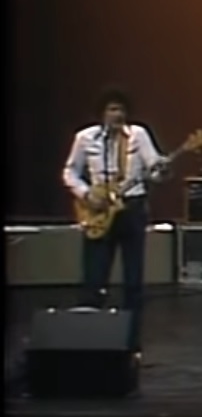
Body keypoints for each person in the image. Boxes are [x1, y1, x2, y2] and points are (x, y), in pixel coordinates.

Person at [62, 87, 171, 354]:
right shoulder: (85, 138)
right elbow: (70, 172)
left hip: (132, 209)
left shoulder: (139, 135)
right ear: (102, 113)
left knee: (133, 281)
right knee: (94, 279)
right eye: (112, 109)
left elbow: (153, 169)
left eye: (121, 109)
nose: (117, 114)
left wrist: (162, 169)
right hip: (99, 211)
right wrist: (86, 194)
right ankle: (89, 342)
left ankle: (131, 345)